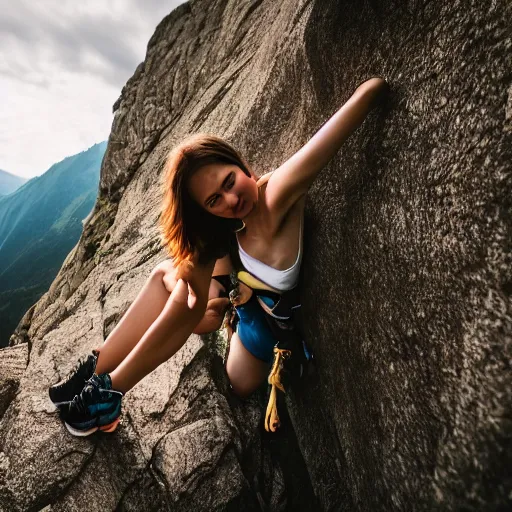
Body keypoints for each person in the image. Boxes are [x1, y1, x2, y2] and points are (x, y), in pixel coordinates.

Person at [50, 77, 390, 436]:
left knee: (233, 374)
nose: (230, 200)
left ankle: (108, 393)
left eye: (229, 181)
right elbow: (198, 319)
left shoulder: (275, 195)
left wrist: (376, 89)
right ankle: (98, 369)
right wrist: (210, 306)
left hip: (268, 334)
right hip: (244, 310)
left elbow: (361, 99)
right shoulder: (225, 227)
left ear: (241, 164)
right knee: (167, 280)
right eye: (214, 200)